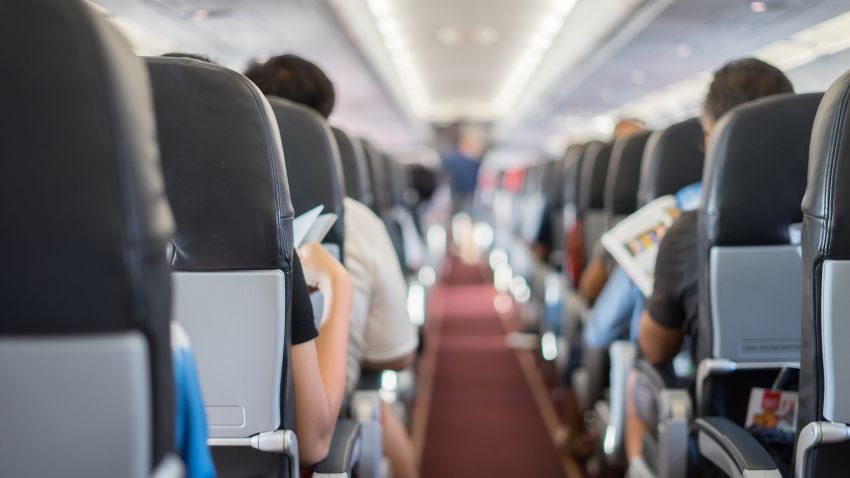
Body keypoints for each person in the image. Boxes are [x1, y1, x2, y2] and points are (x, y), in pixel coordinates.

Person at [246, 54, 420, 478]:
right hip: (312, 427)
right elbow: (397, 355)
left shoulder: (149, 235)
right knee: (372, 406)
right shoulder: (356, 224)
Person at [624, 58, 795, 462]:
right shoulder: (835, 224)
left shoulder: (690, 230)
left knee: (638, 380)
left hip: (725, 447)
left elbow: (656, 349)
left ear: (715, 138)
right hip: (827, 445)